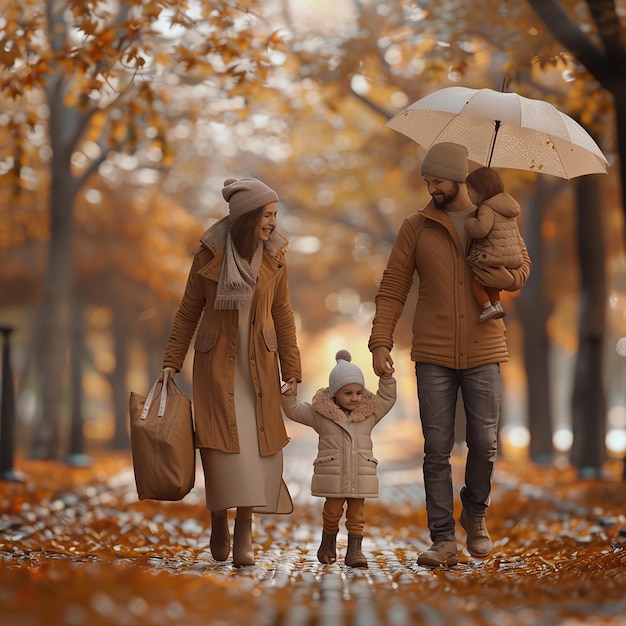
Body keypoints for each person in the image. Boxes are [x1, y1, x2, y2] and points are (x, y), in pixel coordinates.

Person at [368, 142, 531, 567]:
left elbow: (522, 267)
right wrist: (380, 341)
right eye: (427, 182)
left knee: (484, 443)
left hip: (485, 346)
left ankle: (474, 514)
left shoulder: (497, 216)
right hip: (433, 351)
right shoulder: (416, 226)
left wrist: (506, 276)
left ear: (459, 178)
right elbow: (393, 285)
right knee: (436, 448)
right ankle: (443, 540)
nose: (431, 188)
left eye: (436, 181)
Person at [161, 177, 302, 567]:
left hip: (259, 364)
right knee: (221, 447)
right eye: (268, 215)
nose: (273, 223)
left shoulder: (275, 256)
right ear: (247, 217)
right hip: (216, 365)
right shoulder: (207, 256)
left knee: (257, 450)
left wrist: (291, 365)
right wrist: (171, 361)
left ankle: (244, 530)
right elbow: (188, 311)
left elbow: (283, 314)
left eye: (275, 215)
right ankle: (219, 518)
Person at [281, 350, 396, 567]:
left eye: (358, 392)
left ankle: (355, 551)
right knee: (332, 512)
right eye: (348, 393)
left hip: (359, 475)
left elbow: (387, 399)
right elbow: (295, 410)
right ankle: (328, 541)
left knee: (357, 514)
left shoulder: (368, 414)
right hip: (333, 475)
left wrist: (387, 379)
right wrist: (288, 395)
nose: (354, 398)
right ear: (334, 394)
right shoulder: (320, 415)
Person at [464, 167, 524, 322]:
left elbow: (481, 230)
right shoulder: (507, 207)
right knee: (490, 283)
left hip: (492, 254)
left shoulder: (486, 207)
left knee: (478, 284)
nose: (468, 195)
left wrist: (470, 223)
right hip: (509, 257)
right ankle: (497, 305)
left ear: (480, 191)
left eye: (470, 191)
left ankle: (487, 308)